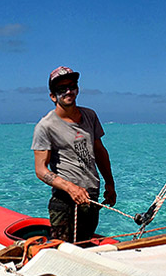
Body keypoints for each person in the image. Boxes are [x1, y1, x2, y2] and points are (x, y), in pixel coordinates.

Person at [32, 66, 116, 242]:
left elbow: (100, 152)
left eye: (72, 86)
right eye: (62, 89)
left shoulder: (90, 116)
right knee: (63, 252)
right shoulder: (45, 126)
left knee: (84, 246)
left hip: (90, 198)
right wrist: (70, 187)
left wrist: (110, 184)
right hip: (64, 201)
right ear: (53, 96)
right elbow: (41, 170)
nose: (68, 91)